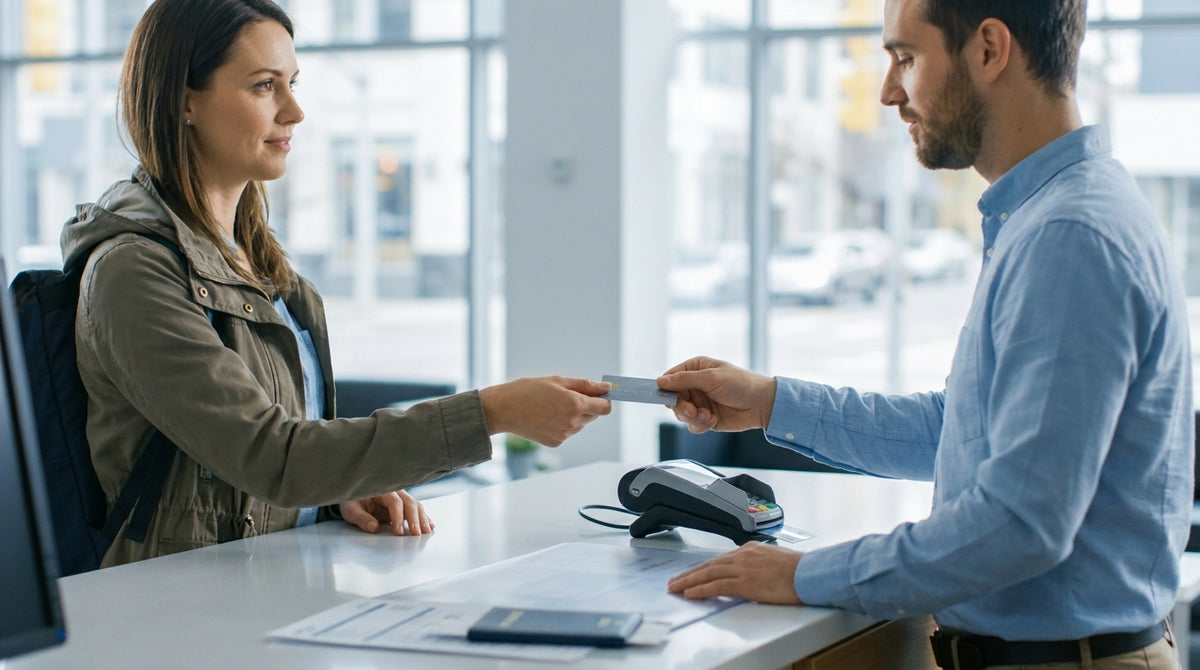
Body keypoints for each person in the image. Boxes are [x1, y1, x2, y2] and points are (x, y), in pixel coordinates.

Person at [660, 1, 1193, 668]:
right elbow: (962, 434)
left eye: (906, 59)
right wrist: (772, 401)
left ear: (990, 50)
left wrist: (803, 574)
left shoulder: (1069, 236)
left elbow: (1020, 524)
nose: (889, 92)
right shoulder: (1047, 216)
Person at [61, 0, 611, 568]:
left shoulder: (269, 271)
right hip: (174, 604)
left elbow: (272, 468)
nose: (295, 111)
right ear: (184, 101)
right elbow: (273, 457)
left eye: (293, 83)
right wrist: (492, 412)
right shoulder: (133, 272)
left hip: (269, 586)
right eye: (263, 86)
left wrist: (335, 492)